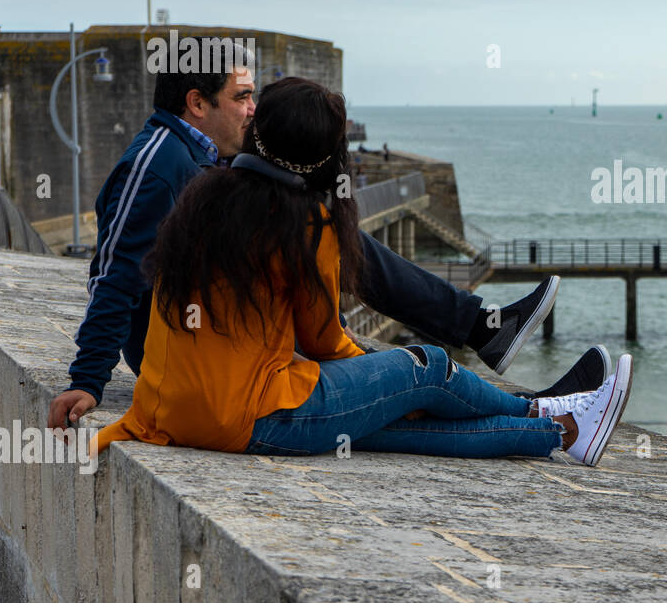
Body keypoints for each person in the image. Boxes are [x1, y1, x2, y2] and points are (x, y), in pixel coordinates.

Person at [77, 77, 632, 467]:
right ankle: (549, 412)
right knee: (428, 367)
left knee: (388, 418)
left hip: (169, 408)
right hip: (247, 416)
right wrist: (387, 368)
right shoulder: (306, 221)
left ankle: (560, 430)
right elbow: (322, 343)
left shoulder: (204, 194)